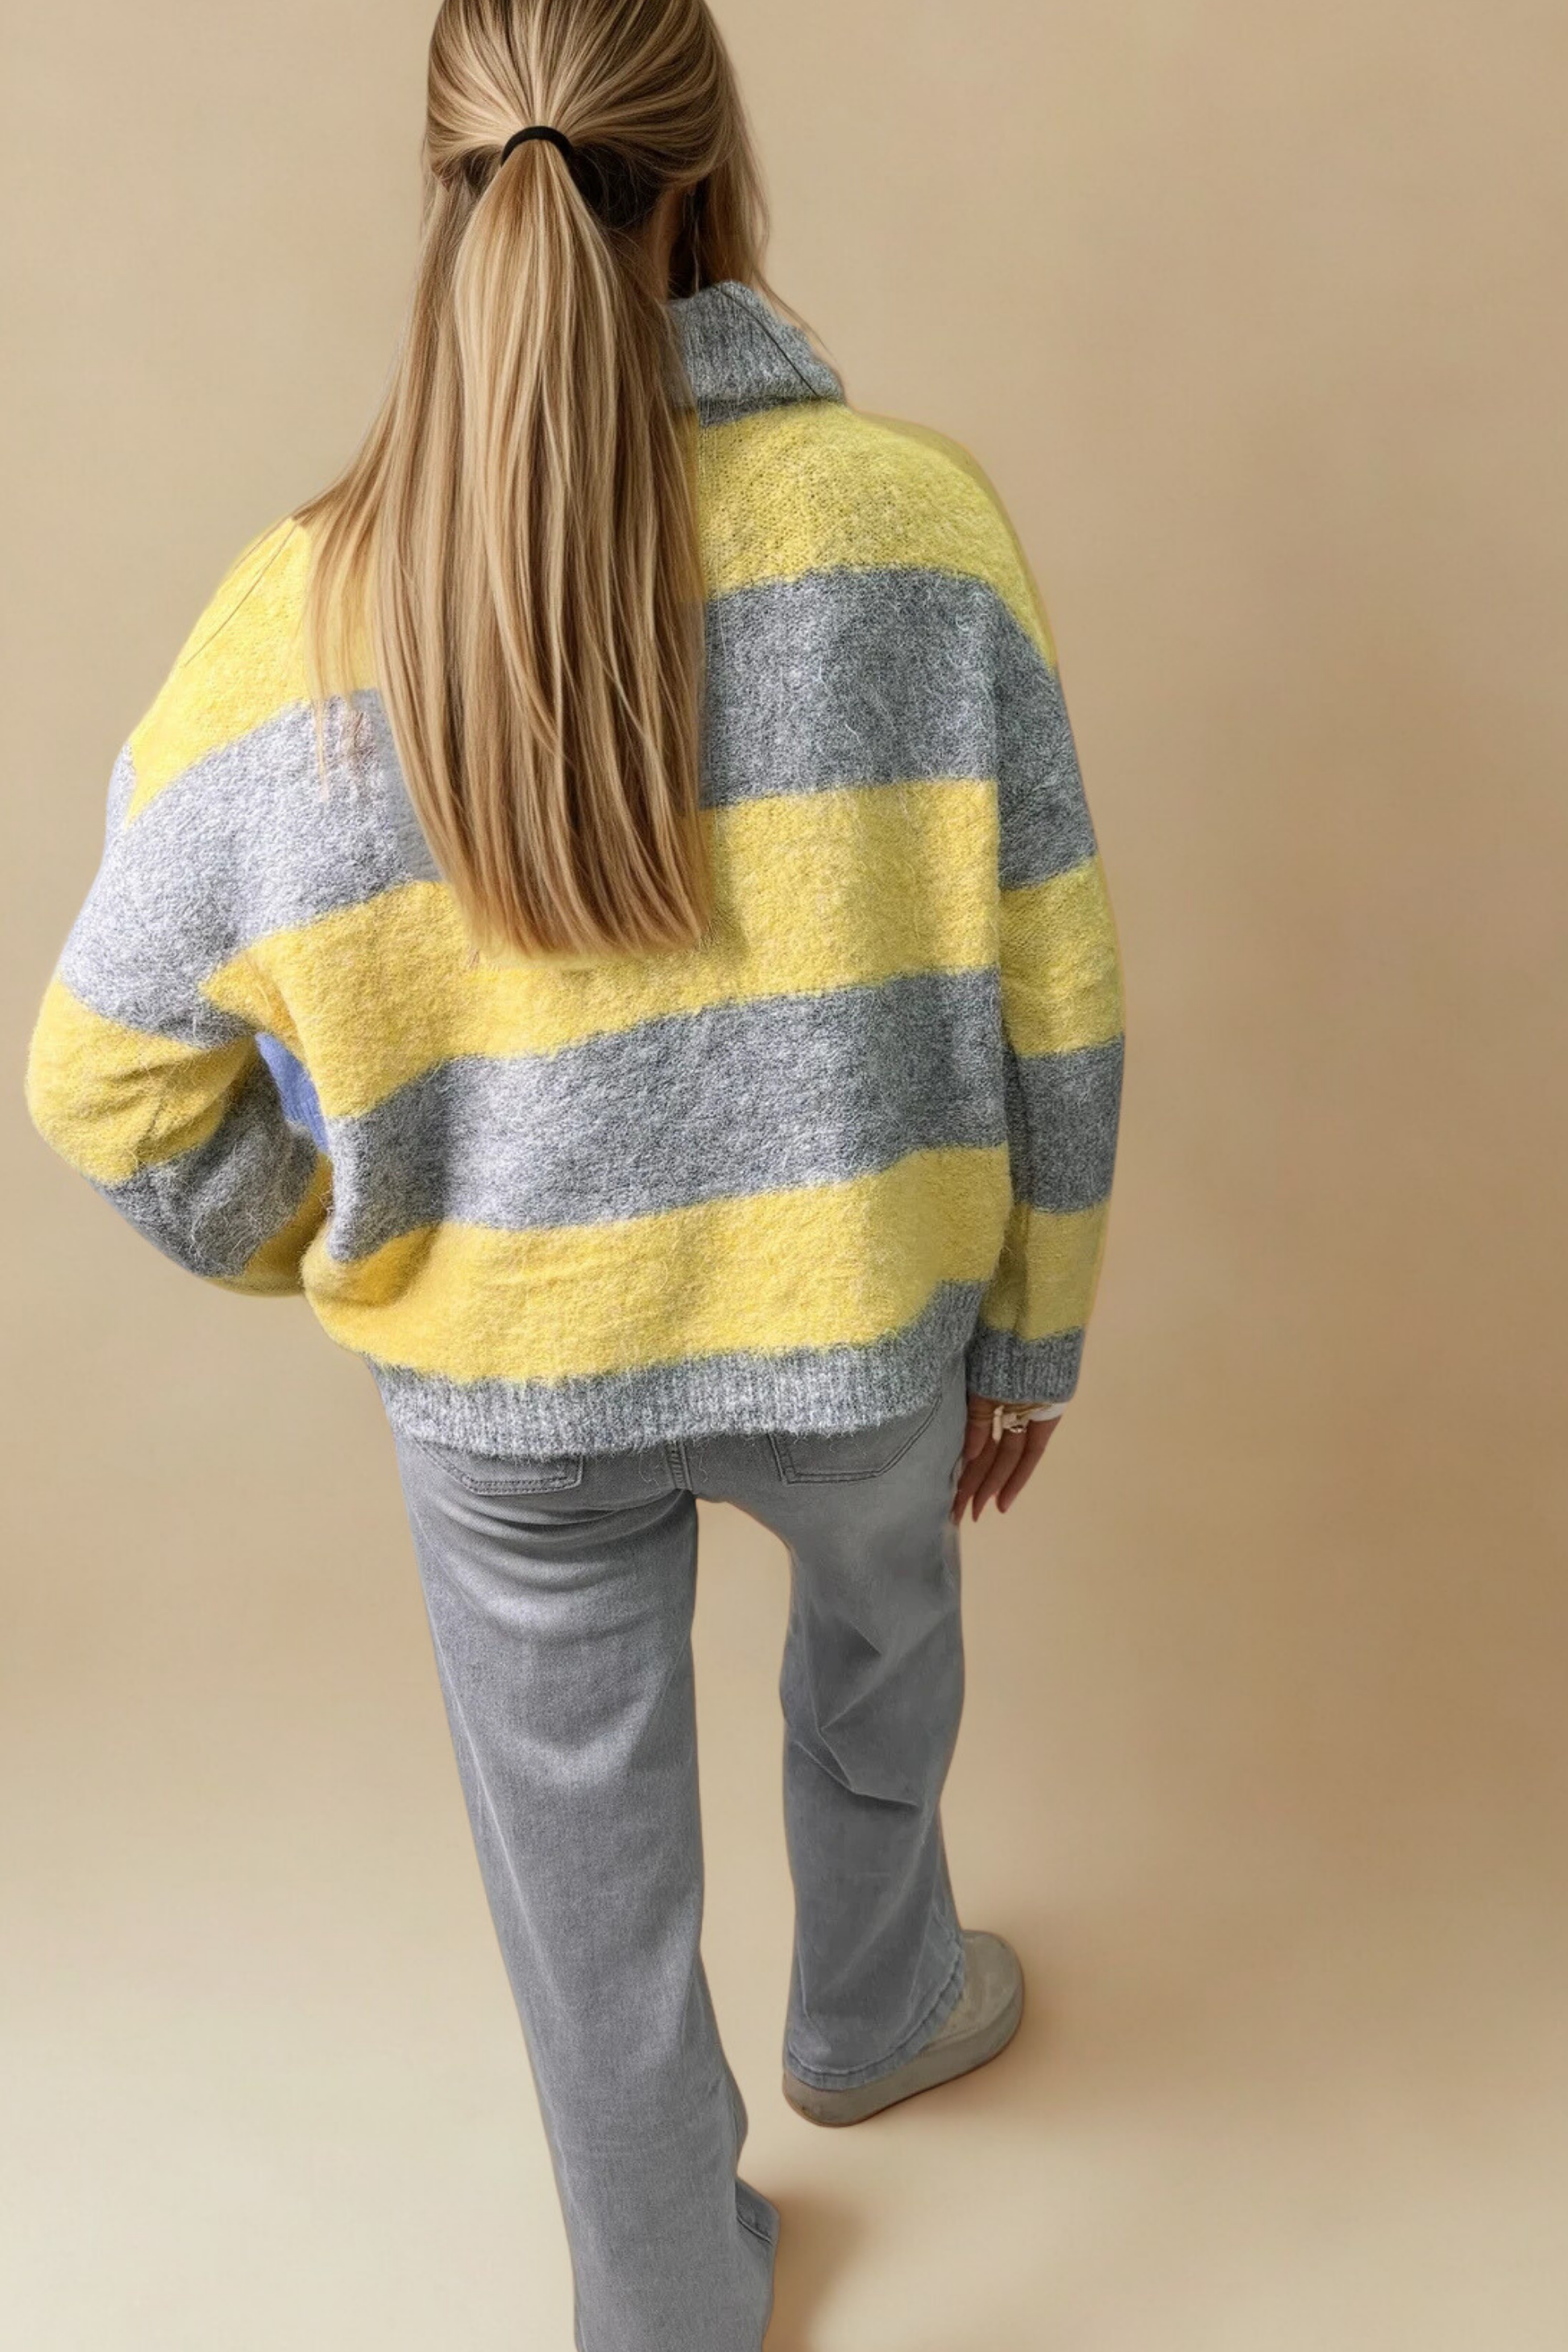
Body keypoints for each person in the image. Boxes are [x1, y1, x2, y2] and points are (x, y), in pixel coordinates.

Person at [23, 0, 1125, 2342]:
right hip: (863, 1333)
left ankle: (665, 2291)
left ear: (450, 194)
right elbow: (1057, 980)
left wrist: (340, 1236)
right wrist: (1032, 1327)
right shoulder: (919, 538)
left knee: (582, 1864)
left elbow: (102, 1076)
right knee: (887, 1646)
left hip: (508, 1391)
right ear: (710, 169)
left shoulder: (296, 618)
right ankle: (881, 1997)